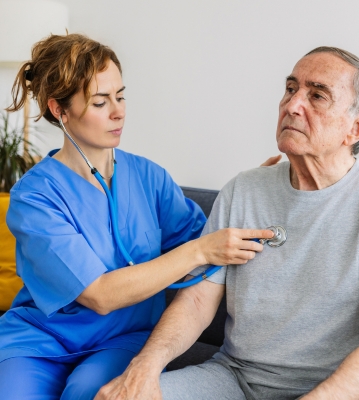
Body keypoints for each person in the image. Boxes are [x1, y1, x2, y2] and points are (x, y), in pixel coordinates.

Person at [96, 47, 359, 400]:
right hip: (238, 378)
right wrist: (143, 367)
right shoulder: (244, 189)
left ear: (356, 127)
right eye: (290, 89)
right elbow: (196, 302)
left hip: (347, 388)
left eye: (316, 95)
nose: (292, 105)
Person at [0, 33, 276, 399]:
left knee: (87, 392)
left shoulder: (149, 177)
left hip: (124, 337)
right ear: (59, 110)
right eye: (100, 101)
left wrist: (250, 194)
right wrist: (199, 251)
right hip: (40, 338)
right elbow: (99, 295)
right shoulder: (34, 197)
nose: (118, 111)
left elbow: (207, 238)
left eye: (120, 95)